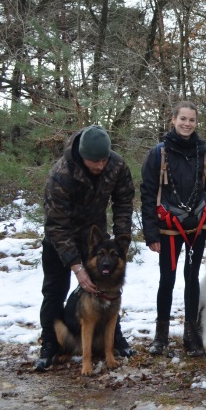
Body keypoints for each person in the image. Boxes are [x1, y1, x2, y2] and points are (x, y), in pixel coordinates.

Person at [35, 125, 136, 371]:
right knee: (55, 291)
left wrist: (122, 239)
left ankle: (115, 339)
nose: (100, 166)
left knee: (107, 291)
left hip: (95, 238)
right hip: (60, 239)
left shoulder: (117, 165)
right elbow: (57, 225)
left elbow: (124, 200)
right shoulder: (61, 174)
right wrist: (77, 267)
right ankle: (50, 344)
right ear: (82, 156)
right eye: (94, 161)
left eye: (103, 159)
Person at [141, 101, 206, 357]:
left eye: (192, 120)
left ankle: (190, 333)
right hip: (168, 230)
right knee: (167, 279)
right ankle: (161, 335)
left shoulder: (204, 153)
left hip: (197, 228)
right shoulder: (158, 154)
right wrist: (151, 233)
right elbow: (147, 193)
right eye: (183, 119)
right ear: (173, 119)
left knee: (192, 279)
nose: (187, 124)